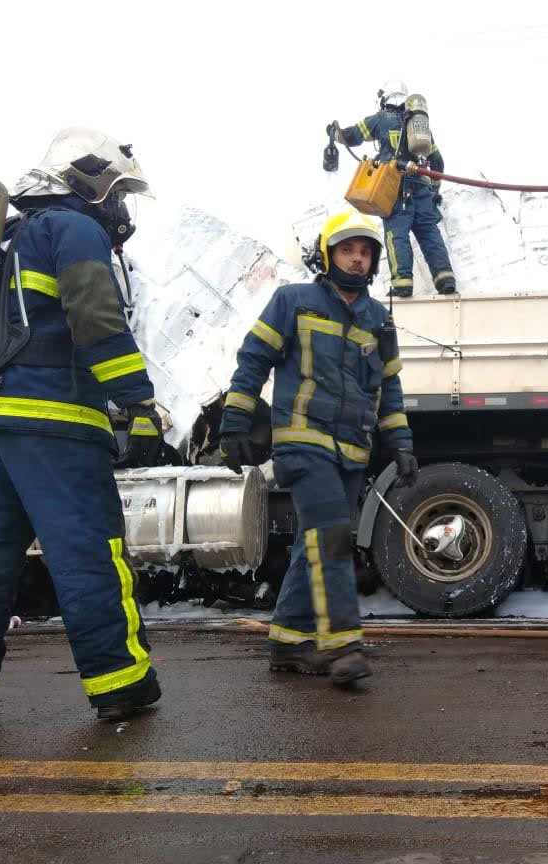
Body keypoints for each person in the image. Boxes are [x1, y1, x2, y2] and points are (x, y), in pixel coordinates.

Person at [0, 128, 164, 733]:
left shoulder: (10, 235)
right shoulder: (73, 228)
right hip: (55, 423)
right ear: (89, 179)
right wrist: (137, 402)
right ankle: (120, 684)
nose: (120, 206)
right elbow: (97, 319)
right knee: (89, 554)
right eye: (117, 191)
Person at [219, 209, 418, 687]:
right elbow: (253, 359)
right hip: (303, 441)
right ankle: (342, 645)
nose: (357, 259)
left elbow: (388, 388)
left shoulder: (379, 320)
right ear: (327, 256)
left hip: (352, 449)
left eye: (365, 252)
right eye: (348, 250)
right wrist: (235, 422)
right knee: (332, 537)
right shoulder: (293, 301)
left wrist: (401, 443)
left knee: (313, 542)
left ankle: (288, 641)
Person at [333, 79, 457, 297]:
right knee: (430, 234)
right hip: (423, 190)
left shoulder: (381, 119)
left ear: (384, 98)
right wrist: (434, 191)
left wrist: (333, 133)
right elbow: (437, 162)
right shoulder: (419, 126)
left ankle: (402, 284)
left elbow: (351, 137)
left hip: (396, 188)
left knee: (396, 235)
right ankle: (445, 279)